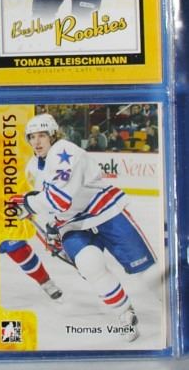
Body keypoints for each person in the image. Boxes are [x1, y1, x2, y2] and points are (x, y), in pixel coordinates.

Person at [10, 113, 159, 341]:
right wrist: (50, 226)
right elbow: (49, 205)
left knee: (147, 271)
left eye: (42, 135)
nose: (36, 141)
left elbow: (59, 199)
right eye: (32, 137)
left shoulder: (64, 151)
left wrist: (28, 203)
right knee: (90, 265)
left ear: (53, 135)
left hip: (104, 212)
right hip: (72, 224)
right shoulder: (33, 166)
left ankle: (177, 305)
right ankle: (125, 314)